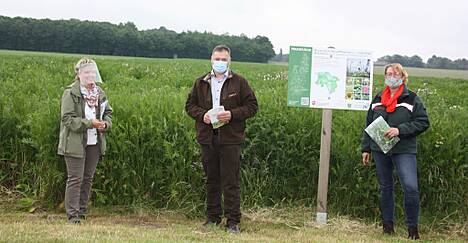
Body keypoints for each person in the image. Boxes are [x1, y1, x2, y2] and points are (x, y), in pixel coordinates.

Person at [185, 45, 258, 234]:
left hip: (231, 139)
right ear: (211, 59)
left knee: (231, 181)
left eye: (223, 59)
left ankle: (233, 221)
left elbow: (252, 106)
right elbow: (190, 105)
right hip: (208, 138)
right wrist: (203, 116)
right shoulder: (200, 82)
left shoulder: (240, 82)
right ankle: (213, 218)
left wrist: (232, 115)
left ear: (229, 61)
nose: (220, 62)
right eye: (217, 59)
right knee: (212, 180)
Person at [361, 63, 429, 240]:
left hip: (403, 149)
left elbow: (423, 122)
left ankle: (412, 229)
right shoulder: (377, 99)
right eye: (388, 73)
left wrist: (400, 130)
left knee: (411, 187)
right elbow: (369, 124)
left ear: (402, 77)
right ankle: (387, 227)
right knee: (386, 187)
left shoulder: (412, 99)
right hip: (379, 149)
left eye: (395, 74)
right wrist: (366, 148)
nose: (391, 76)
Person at [58, 58, 113, 224]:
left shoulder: (100, 92)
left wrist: (105, 124)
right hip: (74, 143)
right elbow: (67, 119)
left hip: (94, 143)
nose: (90, 75)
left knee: (88, 178)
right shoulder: (71, 92)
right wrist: (90, 123)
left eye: (92, 72)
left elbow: (108, 113)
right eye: (86, 72)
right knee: (75, 179)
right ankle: (72, 216)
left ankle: (82, 213)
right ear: (78, 74)